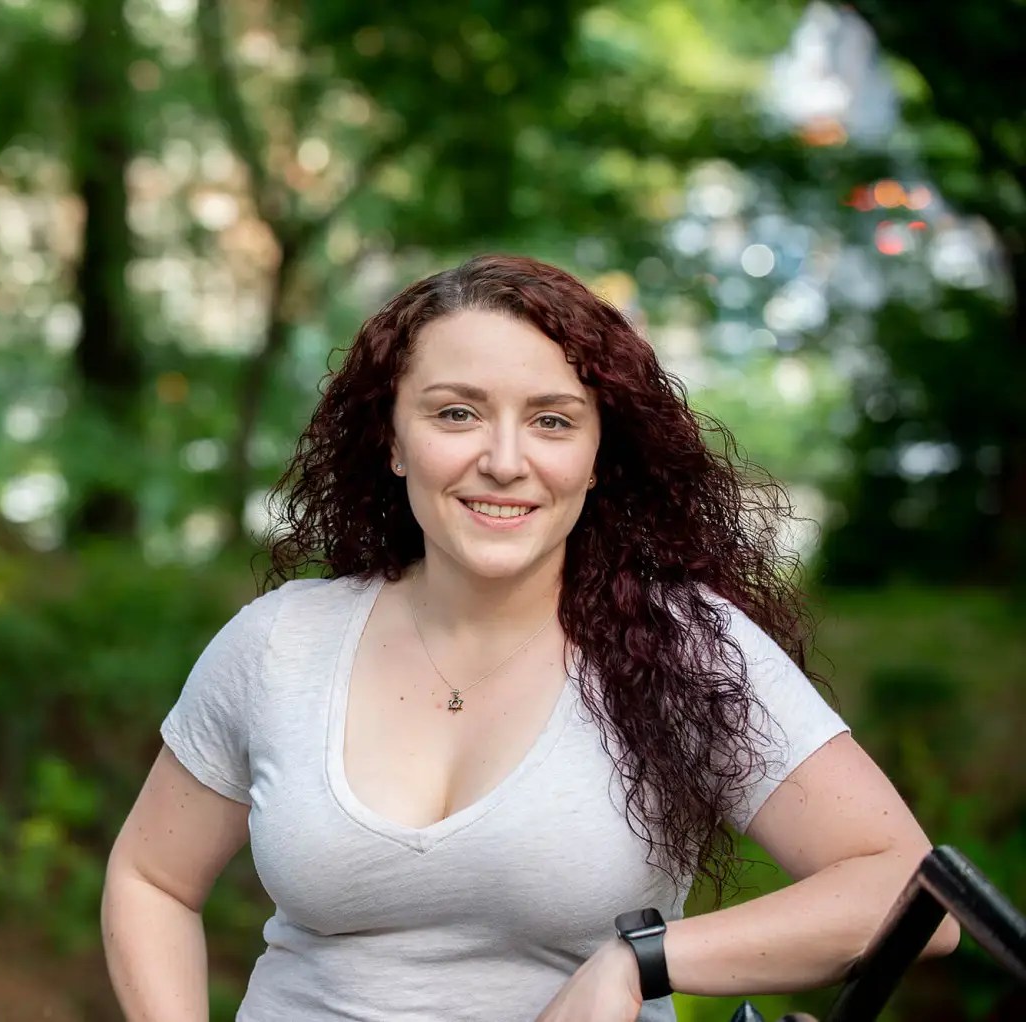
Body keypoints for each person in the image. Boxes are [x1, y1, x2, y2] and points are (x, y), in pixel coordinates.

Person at [101, 255, 958, 1022]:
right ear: (393, 441)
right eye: (457, 414)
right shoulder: (280, 641)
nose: (505, 460)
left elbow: (917, 894)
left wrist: (640, 964)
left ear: (597, 455)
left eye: (552, 420)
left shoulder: (684, 647)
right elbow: (151, 881)